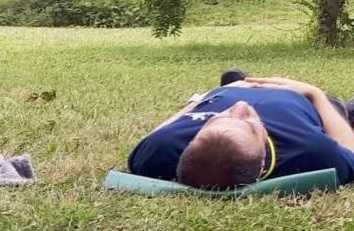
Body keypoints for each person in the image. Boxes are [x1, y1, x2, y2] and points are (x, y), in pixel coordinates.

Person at [127, 70, 354, 189]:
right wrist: (314, 94)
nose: (240, 106)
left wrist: (207, 97)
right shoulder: (311, 151)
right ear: (262, 161)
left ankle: (236, 79)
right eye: (250, 124)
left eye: (217, 119)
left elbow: (150, 140)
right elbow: (350, 150)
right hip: (300, 99)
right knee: (342, 109)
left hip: (230, 89)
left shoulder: (162, 149)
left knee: (233, 77)